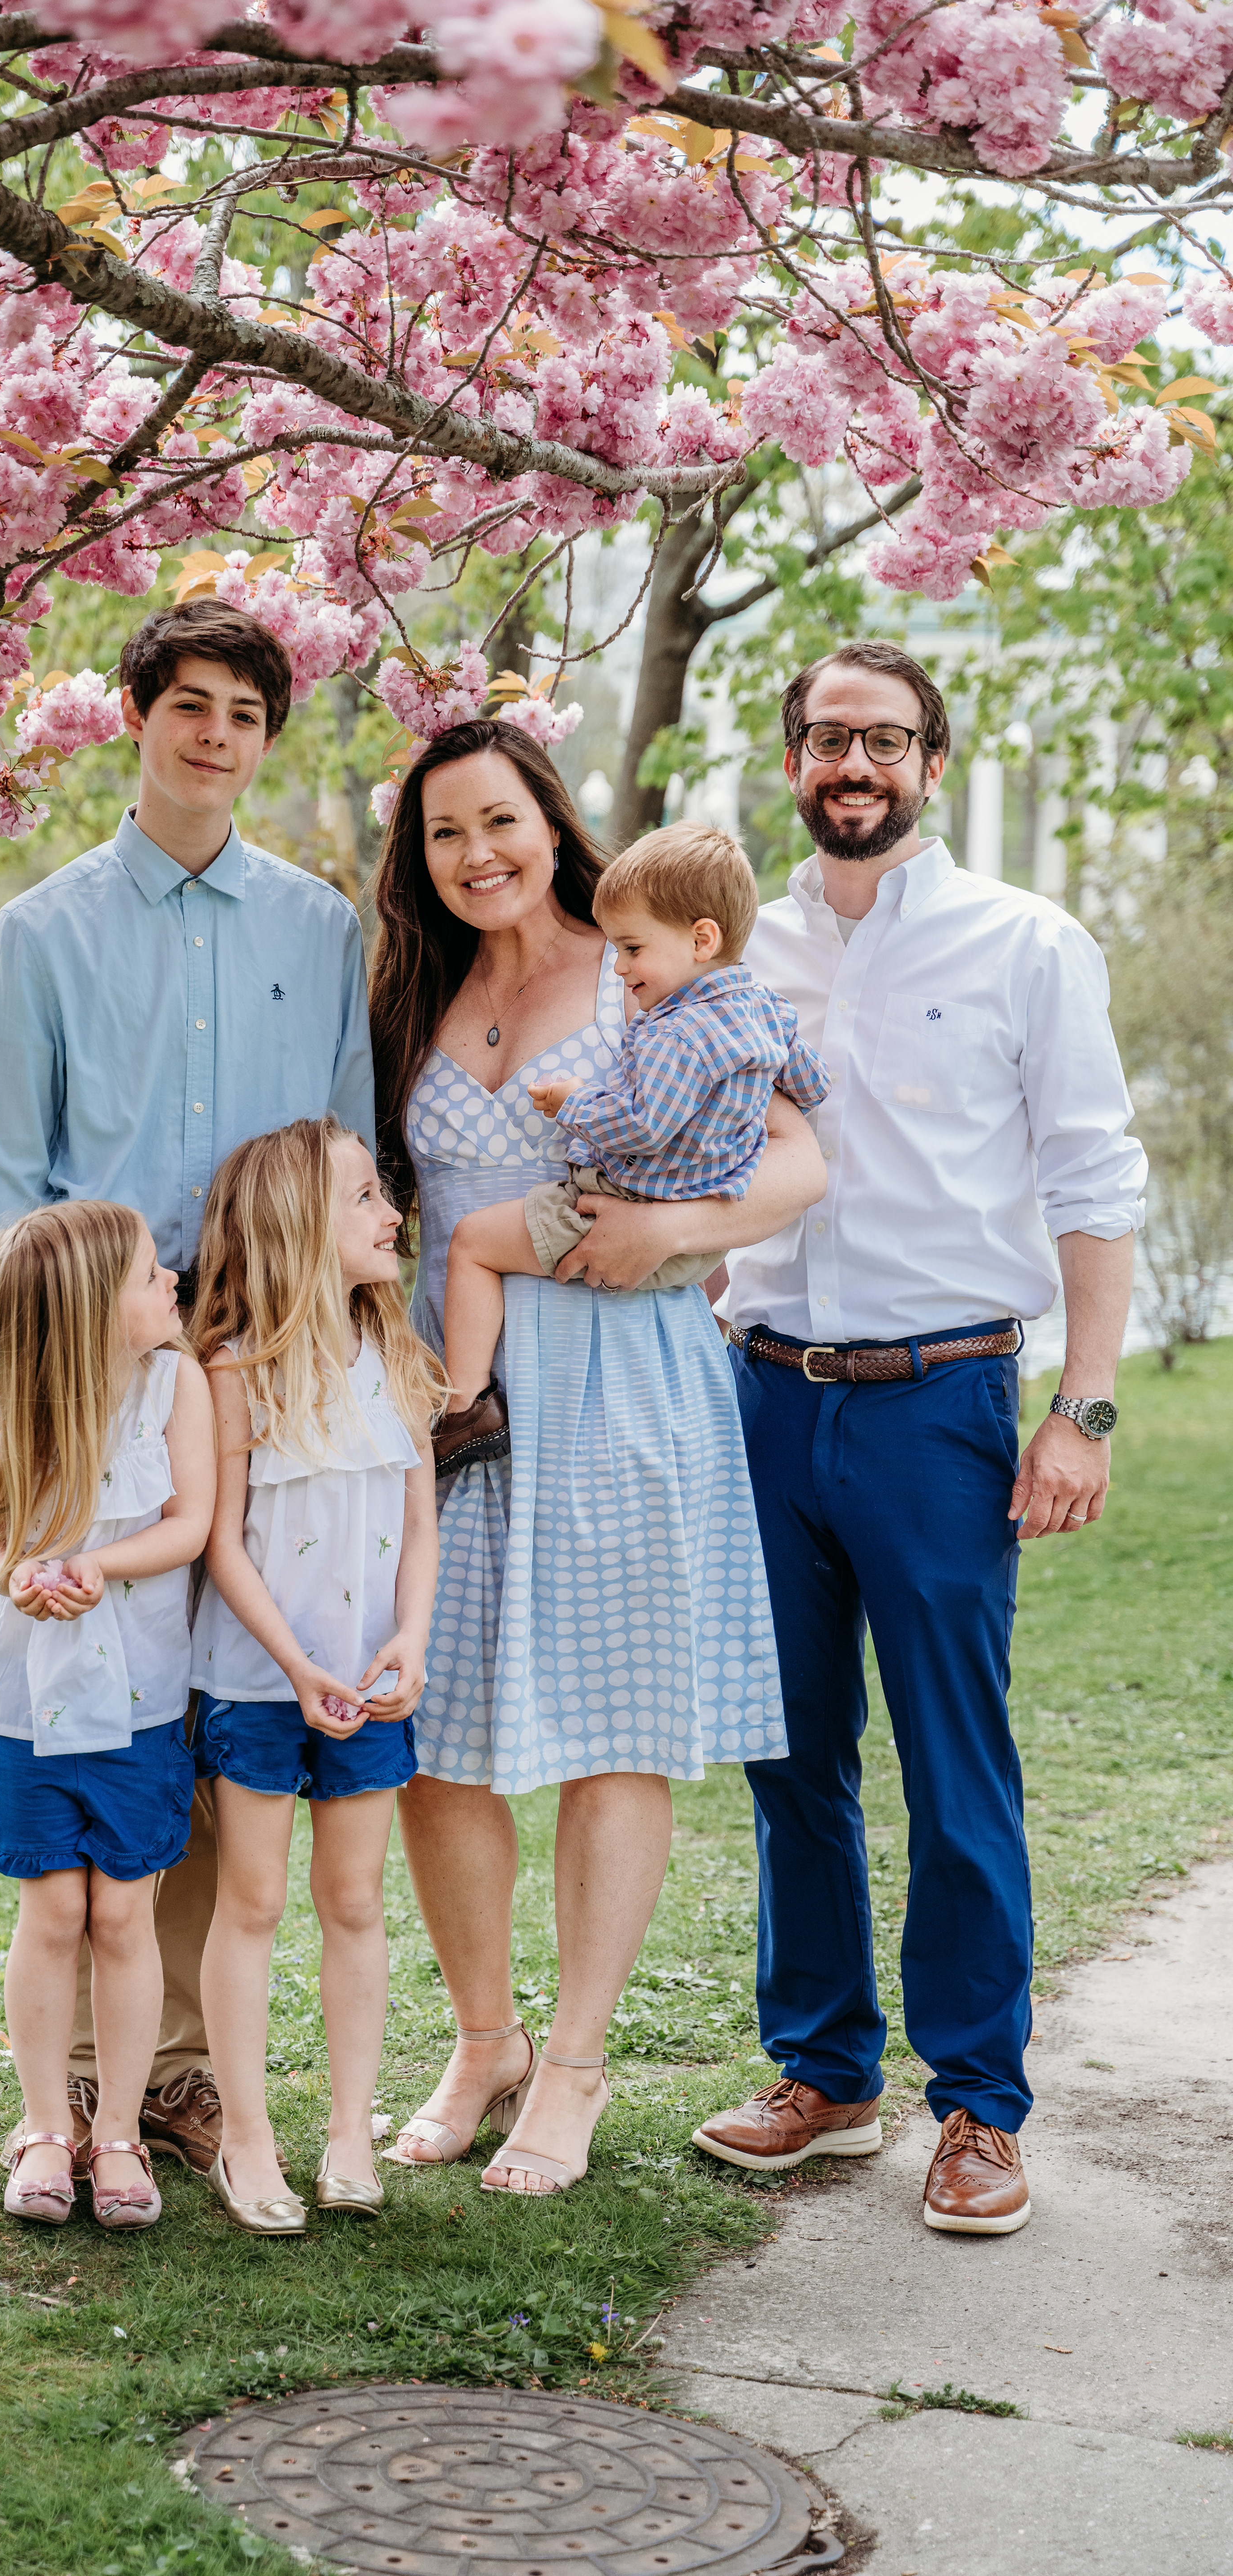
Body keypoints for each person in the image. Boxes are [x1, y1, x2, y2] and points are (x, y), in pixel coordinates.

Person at [691, 638, 1146, 2237]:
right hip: (761, 1394)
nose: (854, 766)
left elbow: (1094, 1182)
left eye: (884, 739)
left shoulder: (1027, 943)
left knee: (959, 1767)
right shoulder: (736, 949)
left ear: (933, 764)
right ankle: (825, 2072)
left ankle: (979, 2108)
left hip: (944, 1401)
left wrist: (1081, 1410)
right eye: (826, 739)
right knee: (788, 1753)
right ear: (793, 760)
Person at [0, 599, 375, 2179]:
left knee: (212, 1707)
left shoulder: (322, 930)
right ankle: (59, 2092)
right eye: (189, 706)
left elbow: (344, 1158)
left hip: (257, 1364)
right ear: (139, 716)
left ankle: (176, 2074)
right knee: (88, 1693)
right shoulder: (43, 934)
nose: (216, 738)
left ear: (269, 737)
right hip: (86, 1366)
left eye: (246, 716)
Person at [367, 718, 827, 2198]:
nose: (476, 855)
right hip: (460, 1397)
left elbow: (803, 1157)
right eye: (444, 834)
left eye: (499, 821)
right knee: (431, 1734)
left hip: (628, 1379)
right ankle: (484, 2036)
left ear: (551, 826)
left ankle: (575, 2059)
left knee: (617, 1726)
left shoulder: (648, 967)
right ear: (417, 860)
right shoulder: (408, 991)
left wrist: (679, 1234)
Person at [0, 1199, 214, 2230]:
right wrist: (9, 1571)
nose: (170, 1282)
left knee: (124, 1914)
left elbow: (191, 1521)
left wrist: (95, 1565)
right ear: (94, 1311)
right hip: (28, 1711)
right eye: (149, 1276)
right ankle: (48, 2126)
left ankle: (123, 2134)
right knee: (53, 1914)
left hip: (139, 1707)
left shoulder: (175, 1388)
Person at [189, 1118, 446, 2232]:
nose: (392, 1213)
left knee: (354, 1901)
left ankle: (350, 2131)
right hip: (259, 1685)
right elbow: (222, 1543)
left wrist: (411, 1643)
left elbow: (419, 1524)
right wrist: (294, 1667)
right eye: (363, 1197)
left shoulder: (396, 1357)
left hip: (369, 1682)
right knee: (250, 1901)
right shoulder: (233, 1371)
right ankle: (245, 2140)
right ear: (298, 1227)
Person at [436, 822, 829, 1464]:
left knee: (473, 1245)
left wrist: (572, 1104)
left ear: (702, 939)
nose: (620, 967)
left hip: (624, 1204)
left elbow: (643, 1125)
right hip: (698, 1232)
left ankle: (465, 1409)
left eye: (633, 948)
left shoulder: (677, 1032)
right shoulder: (765, 1011)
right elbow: (812, 1085)